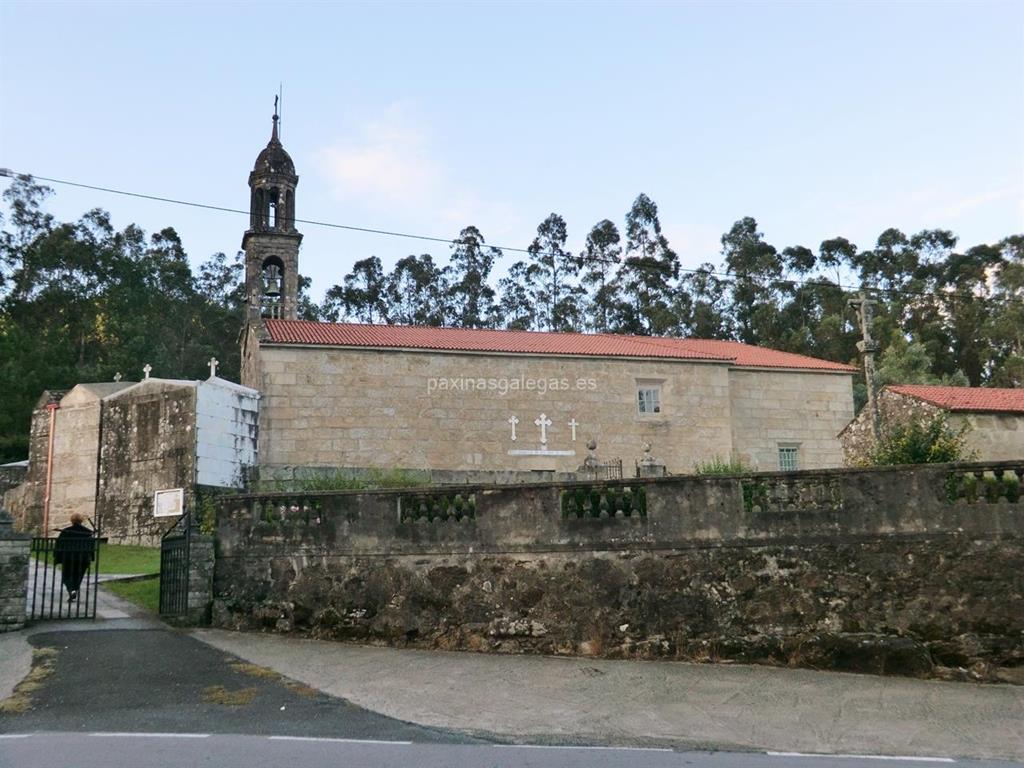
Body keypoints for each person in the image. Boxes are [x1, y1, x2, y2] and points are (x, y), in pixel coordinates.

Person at [53, 512, 95, 602]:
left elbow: (59, 545)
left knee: (66, 576)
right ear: (81, 521)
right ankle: (74, 589)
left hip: (68, 558)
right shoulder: (87, 532)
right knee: (78, 575)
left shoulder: (65, 531)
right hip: (82, 558)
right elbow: (91, 545)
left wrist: (57, 557)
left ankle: (71, 590)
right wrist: (91, 557)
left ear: (72, 520)